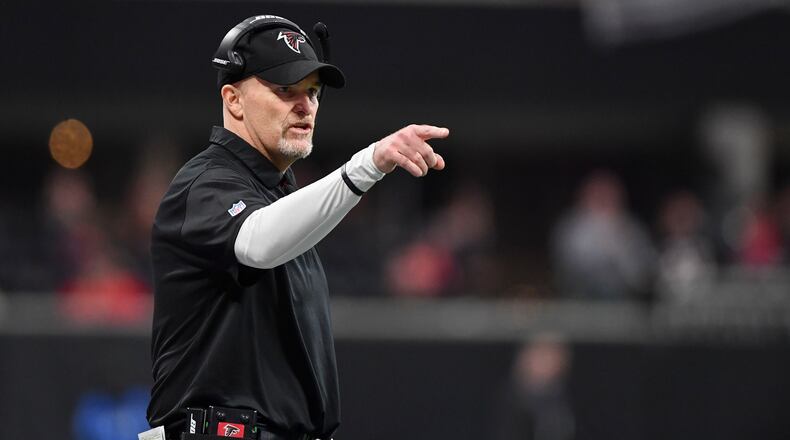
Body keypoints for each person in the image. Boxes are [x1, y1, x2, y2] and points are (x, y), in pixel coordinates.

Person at [145, 14, 449, 440]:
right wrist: (366, 166)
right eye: (285, 89)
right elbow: (256, 243)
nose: (305, 105)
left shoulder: (279, 198)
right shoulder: (204, 182)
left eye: (312, 92)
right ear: (234, 100)